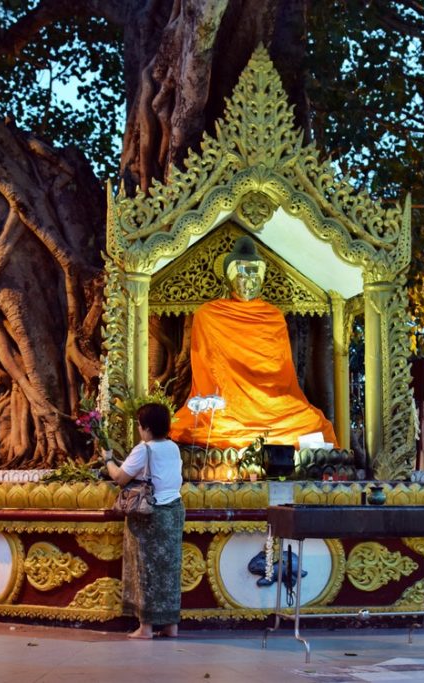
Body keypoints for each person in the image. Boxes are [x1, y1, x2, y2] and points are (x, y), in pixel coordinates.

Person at [170, 235, 338, 449]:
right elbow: (206, 372)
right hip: (227, 408)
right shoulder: (209, 315)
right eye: (242, 274)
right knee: (197, 424)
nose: (249, 282)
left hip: (275, 406)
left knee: (313, 422)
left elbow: (283, 375)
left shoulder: (273, 316)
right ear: (229, 278)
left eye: (255, 275)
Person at [103, 403, 185, 640]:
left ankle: (146, 628)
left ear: (146, 427)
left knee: (146, 569)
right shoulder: (173, 448)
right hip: (174, 512)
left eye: (139, 425)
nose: (139, 430)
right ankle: (171, 626)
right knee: (169, 570)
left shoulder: (144, 449)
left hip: (151, 514)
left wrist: (108, 460)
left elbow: (120, 478)